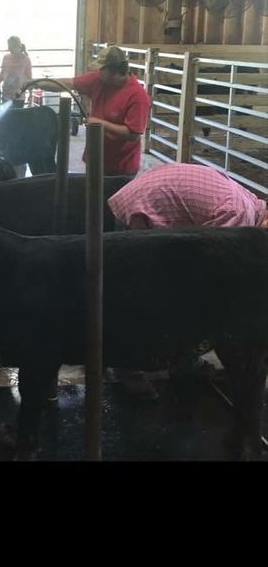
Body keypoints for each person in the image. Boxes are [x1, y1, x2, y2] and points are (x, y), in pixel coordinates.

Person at [107, 164, 268, 401]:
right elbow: (206, 269)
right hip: (143, 211)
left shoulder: (248, 201)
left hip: (141, 196)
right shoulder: (240, 216)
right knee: (146, 295)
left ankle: (182, 361)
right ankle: (127, 366)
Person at [23, 45, 151, 177]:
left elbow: (132, 134)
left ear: (114, 71)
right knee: (92, 195)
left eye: (102, 69)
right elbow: (67, 84)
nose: (98, 72)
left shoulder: (137, 96)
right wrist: (36, 83)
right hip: (95, 159)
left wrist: (99, 124)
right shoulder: (99, 80)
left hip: (121, 168)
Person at [107, 163, 268, 231]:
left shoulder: (248, 198)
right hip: (136, 217)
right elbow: (211, 260)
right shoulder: (240, 216)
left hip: (130, 197)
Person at [0, 36, 33, 106]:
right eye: (8, 46)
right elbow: (2, 72)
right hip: (6, 95)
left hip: (19, 96)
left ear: (18, 46)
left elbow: (29, 78)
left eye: (10, 46)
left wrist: (31, 95)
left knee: (17, 115)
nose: (9, 48)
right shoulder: (6, 58)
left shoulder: (26, 59)